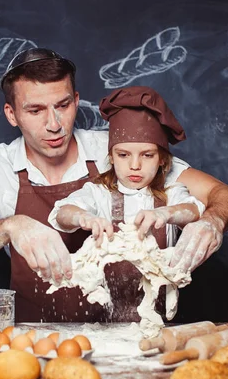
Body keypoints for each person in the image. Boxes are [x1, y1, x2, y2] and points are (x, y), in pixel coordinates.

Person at [0, 47, 228, 322]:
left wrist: (212, 221)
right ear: (12, 114)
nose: (54, 124)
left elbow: (224, 196)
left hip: (129, 337)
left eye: (62, 105)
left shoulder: (120, 150)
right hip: (36, 340)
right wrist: (10, 227)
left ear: (75, 101)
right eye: (36, 110)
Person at [47, 86, 206, 321]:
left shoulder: (171, 194)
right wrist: (83, 218)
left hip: (157, 323)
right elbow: (61, 213)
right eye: (123, 155)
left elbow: (193, 211)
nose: (134, 165)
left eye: (147, 155)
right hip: (103, 323)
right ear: (111, 157)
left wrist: (166, 214)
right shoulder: (99, 193)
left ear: (162, 159)